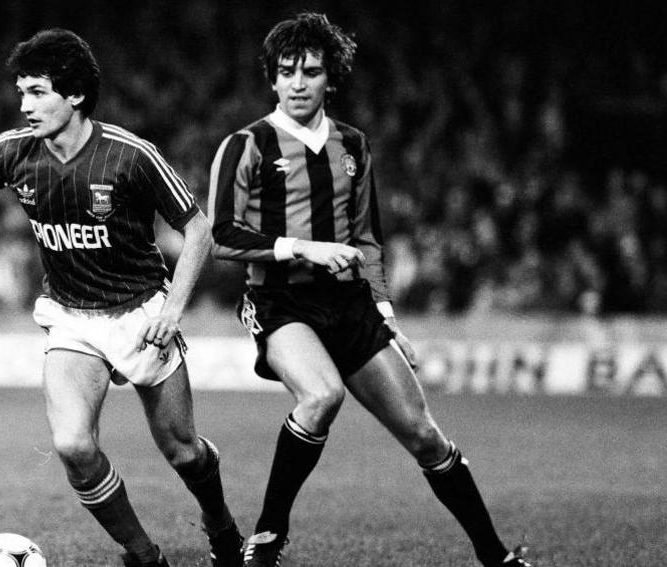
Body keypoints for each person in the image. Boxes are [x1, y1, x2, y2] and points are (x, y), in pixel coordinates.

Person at [0, 29, 243, 567]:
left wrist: (174, 311)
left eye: (37, 92)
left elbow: (198, 230)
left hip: (143, 312)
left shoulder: (130, 156)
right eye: (21, 93)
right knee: (74, 446)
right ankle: (145, 556)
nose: (25, 105)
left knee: (184, 451)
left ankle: (220, 525)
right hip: (71, 317)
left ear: (75, 94)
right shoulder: (11, 152)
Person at [207, 13, 530, 567]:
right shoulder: (246, 145)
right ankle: (265, 540)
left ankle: (495, 557)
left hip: (351, 306)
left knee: (425, 436)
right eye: (287, 72)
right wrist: (302, 247)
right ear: (272, 78)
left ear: (331, 77)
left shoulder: (353, 145)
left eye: (311, 71)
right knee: (321, 396)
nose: (298, 83)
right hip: (280, 303)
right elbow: (222, 235)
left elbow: (368, 240)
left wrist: (384, 311)